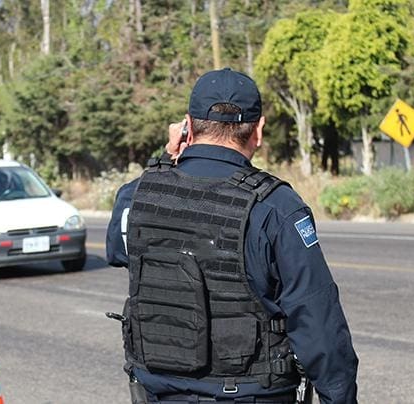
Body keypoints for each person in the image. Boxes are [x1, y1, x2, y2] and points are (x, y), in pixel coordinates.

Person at [106, 68, 358, 404]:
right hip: (250, 393)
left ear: (187, 126)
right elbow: (317, 322)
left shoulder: (135, 196)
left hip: (159, 393)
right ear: (259, 130)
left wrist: (167, 158)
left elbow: (118, 252)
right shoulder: (276, 206)